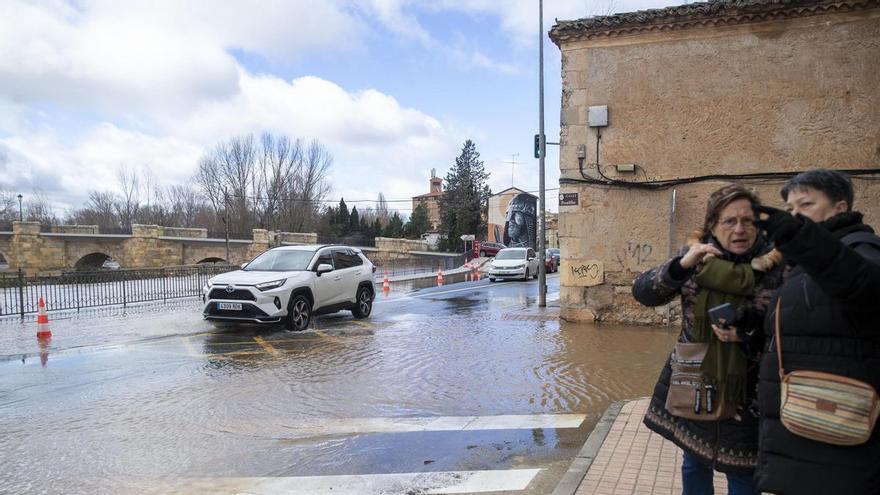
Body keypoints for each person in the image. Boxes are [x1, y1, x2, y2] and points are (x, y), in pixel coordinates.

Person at [633, 184, 783, 495]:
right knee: (693, 462)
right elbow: (644, 293)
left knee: (744, 476)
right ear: (712, 224)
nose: (740, 229)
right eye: (729, 221)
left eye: (748, 221)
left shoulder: (777, 266)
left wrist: (748, 334)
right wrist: (683, 264)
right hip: (696, 384)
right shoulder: (695, 258)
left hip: (749, 392)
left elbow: (789, 327)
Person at [752, 169, 880, 495]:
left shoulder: (860, 248)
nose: (795, 215)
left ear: (840, 208)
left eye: (805, 205)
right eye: (790, 209)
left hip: (836, 429)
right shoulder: (802, 266)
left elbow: (867, 290)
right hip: (803, 427)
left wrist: (803, 239)